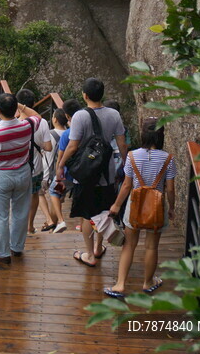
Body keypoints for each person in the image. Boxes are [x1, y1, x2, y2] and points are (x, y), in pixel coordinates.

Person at [55, 77, 128, 267]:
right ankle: (97, 247)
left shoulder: (80, 116)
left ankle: (89, 254)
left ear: (84, 95)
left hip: (86, 173)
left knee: (87, 214)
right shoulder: (114, 115)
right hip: (107, 172)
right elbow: (121, 143)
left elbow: (72, 146)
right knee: (103, 211)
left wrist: (61, 165)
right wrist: (127, 166)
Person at [104, 119, 176, 298]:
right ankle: (148, 282)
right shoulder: (168, 158)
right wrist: (172, 207)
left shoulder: (132, 156)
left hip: (134, 205)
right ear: (161, 136)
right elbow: (170, 188)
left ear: (143, 135)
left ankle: (120, 285)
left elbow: (127, 185)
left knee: (129, 245)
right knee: (152, 247)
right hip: (157, 206)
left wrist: (116, 205)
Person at [0, 92, 40, 265]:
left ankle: (2, 252)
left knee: (1, 215)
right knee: (21, 212)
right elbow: (38, 116)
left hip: (2, 176)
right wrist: (21, 106)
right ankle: (17, 247)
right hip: (23, 172)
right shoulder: (27, 125)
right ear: (16, 109)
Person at [15, 89, 54, 234]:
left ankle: (19, 225)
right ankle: (30, 225)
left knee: (19, 198)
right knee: (34, 194)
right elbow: (48, 147)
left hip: (20, 167)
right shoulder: (42, 122)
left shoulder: (16, 123)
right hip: (36, 167)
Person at [45, 108, 70, 233]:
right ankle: (55, 223)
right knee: (58, 195)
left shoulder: (50, 134)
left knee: (53, 193)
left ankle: (57, 221)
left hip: (53, 170)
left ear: (54, 119)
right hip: (67, 171)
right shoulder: (69, 133)